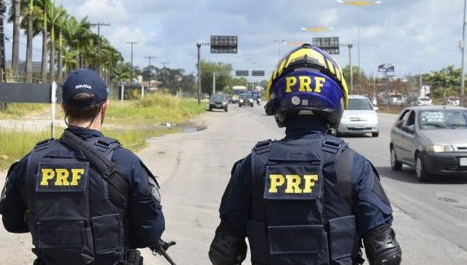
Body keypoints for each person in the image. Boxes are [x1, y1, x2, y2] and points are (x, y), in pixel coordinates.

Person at [208, 44, 401, 265]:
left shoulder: (253, 164)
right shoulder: (353, 164)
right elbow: (386, 254)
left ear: (278, 100)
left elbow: (222, 253)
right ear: (336, 97)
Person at [0, 69, 168, 264]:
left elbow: (12, 223)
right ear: (105, 107)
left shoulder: (31, 162)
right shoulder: (125, 162)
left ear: (64, 107)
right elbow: (150, 232)